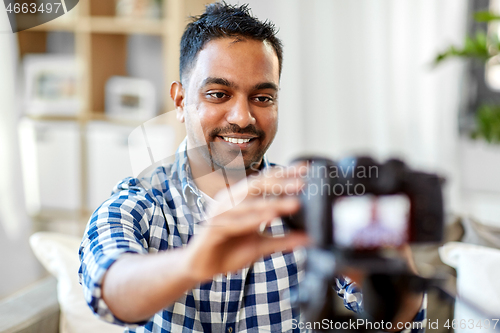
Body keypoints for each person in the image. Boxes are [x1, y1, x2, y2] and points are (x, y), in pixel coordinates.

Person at [79, 2, 426, 332]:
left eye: (262, 98)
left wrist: (391, 256)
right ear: (181, 101)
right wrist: (193, 262)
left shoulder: (309, 202)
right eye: (218, 94)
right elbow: (110, 291)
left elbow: (401, 321)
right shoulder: (139, 201)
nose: (243, 117)